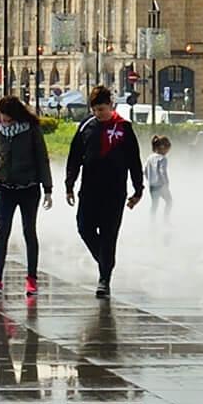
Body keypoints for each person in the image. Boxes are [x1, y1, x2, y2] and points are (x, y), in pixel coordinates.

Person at [63, 84, 143, 299]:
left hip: (114, 192)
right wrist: (69, 185)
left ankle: (104, 280)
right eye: (96, 110)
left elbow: (134, 160)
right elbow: (74, 158)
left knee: (109, 235)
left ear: (111, 106)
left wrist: (138, 190)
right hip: (89, 190)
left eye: (103, 109)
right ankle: (106, 261)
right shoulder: (86, 127)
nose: (99, 114)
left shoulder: (123, 128)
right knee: (83, 227)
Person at [0, 96, 52, 297]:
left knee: (29, 231)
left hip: (29, 188)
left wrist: (48, 189)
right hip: (5, 187)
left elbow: (42, 157)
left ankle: (31, 279)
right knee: (2, 231)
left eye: (9, 120)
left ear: (17, 116)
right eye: (2, 118)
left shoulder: (31, 129)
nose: (5, 122)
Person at [147, 135, 174, 215]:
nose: (167, 152)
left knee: (154, 205)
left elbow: (145, 170)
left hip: (152, 185)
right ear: (163, 147)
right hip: (161, 185)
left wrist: (149, 179)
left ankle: (152, 222)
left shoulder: (150, 157)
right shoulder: (162, 158)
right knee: (169, 201)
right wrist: (166, 183)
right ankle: (166, 220)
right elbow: (163, 172)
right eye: (167, 149)